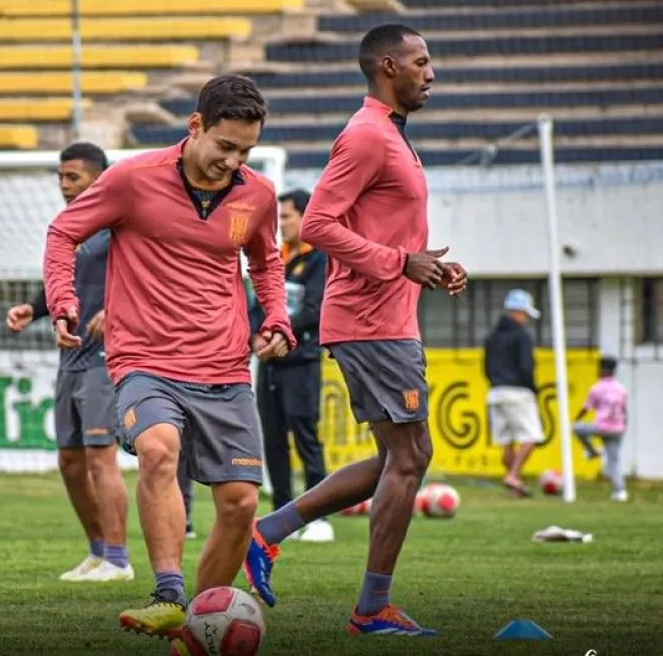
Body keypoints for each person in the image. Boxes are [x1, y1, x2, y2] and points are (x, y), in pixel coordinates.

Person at [42, 74, 295, 647]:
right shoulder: (131, 179)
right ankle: (167, 595)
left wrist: (276, 317)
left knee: (240, 503)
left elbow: (267, 264)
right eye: (224, 146)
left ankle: (195, 628)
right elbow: (62, 234)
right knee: (157, 448)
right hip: (144, 359)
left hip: (225, 366)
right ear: (196, 127)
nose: (232, 161)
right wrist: (63, 302)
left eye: (245, 151)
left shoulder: (256, 194)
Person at [243, 24, 467, 637]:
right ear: (388, 66)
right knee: (411, 455)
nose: (431, 71)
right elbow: (315, 223)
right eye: (422, 61)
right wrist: (400, 263)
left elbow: (381, 230)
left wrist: (427, 264)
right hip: (371, 321)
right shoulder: (368, 134)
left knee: (402, 455)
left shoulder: (391, 134)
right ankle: (371, 608)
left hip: (387, 315)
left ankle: (267, 532)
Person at [6, 142, 133, 582]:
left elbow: (147, 275)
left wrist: (118, 309)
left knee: (101, 456)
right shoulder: (69, 228)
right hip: (71, 355)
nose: (64, 185)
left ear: (98, 178)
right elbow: (66, 280)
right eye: (60, 177)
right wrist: (34, 308)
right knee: (70, 461)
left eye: (72, 177)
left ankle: (119, 559)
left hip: (106, 355)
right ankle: (97, 552)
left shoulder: (121, 225)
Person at [249, 188, 332, 542]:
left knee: (305, 434)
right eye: (278, 218)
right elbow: (257, 304)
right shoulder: (276, 259)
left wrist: (278, 333)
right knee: (273, 438)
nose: (281, 224)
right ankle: (283, 514)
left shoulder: (319, 260)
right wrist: (257, 337)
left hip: (302, 362)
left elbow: (316, 310)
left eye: (286, 217)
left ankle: (318, 515)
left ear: (305, 216)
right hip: (269, 364)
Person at [484, 288, 544, 498]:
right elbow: (526, 367)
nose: (526, 319)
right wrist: (533, 388)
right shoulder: (522, 336)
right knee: (532, 436)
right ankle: (513, 474)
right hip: (518, 392)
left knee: (507, 440)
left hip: (495, 393)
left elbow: (486, 368)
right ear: (518, 312)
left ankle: (514, 486)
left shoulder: (492, 337)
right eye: (525, 314)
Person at [573, 355, 629, 501]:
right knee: (614, 461)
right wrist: (624, 427)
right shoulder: (621, 389)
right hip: (618, 428)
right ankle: (620, 491)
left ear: (601, 370)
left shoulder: (597, 388)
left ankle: (592, 451)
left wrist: (575, 419)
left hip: (602, 427)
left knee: (576, 428)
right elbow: (624, 410)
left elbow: (586, 408)